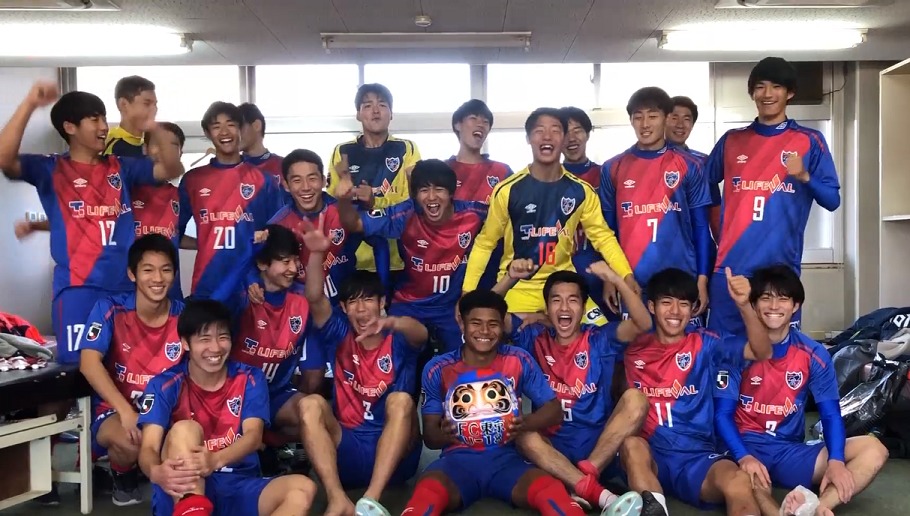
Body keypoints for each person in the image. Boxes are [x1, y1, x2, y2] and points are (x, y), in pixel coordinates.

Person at [0, 82, 184, 364]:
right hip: (78, 290)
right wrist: (30, 104)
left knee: (128, 365)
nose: (104, 127)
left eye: (104, 118)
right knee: (77, 368)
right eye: (95, 119)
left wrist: (152, 126)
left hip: (126, 288)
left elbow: (172, 168)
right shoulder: (51, 169)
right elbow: (5, 158)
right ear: (70, 127)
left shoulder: (121, 166)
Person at [714, 265, 888, 516]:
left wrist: (836, 460)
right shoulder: (735, 350)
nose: (774, 306)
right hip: (743, 447)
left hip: (789, 451)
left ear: (795, 306)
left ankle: (819, 508)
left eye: (783, 298)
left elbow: (830, 414)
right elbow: (722, 415)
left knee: (874, 449)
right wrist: (743, 456)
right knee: (746, 482)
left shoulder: (813, 353)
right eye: (766, 298)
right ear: (753, 305)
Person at [398, 289, 585, 516]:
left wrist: (523, 423)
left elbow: (554, 410)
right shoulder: (438, 368)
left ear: (502, 325)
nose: (485, 331)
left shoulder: (518, 358)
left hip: (508, 459)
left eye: (493, 324)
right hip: (457, 461)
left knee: (551, 490)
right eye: (476, 323)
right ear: (462, 323)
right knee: (427, 493)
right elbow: (430, 437)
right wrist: (446, 433)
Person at [137, 299, 317, 516]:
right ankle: (193, 508)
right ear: (185, 343)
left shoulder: (250, 377)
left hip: (237, 484)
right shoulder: (164, 385)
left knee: (303, 489)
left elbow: (253, 436)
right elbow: (148, 448)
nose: (215, 348)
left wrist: (215, 460)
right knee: (185, 429)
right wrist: (155, 472)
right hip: (183, 489)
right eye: (204, 339)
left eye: (223, 337)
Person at [512, 266, 667, 515]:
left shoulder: (599, 338)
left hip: (601, 447)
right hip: (555, 450)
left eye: (573, 300)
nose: (564, 308)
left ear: (584, 308)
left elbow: (643, 323)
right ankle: (596, 492)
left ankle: (584, 478)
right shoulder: (535, 337)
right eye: (556, 300)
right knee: (524, 436)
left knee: (636, 399)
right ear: (547, 307)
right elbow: (490, 315)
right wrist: (512, 280)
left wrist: (615, 279)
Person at [296, 215, 426, 515]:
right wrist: (316, 254)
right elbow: (314, 298)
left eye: (369, 300)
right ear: (344, 308)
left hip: (397, 457)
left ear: (382, 303)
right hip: (348, 450)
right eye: (353, 302)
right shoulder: (339, 333)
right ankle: (337, 498)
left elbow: (420, 333)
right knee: (310, 404)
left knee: (401, 400)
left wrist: (391, 322)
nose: (361, 308)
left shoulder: (399, 338)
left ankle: (370, 502)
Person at [704, 57, 841, 337]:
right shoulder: (732, 140)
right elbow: (705, 185)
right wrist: (719, 228)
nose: (767, 94)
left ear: (790, 92)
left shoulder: (810, 140)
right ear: (752, 92)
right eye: (760, 87)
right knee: (724, 353)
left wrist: (805, 177)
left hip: (780, 272)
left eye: (776, 86)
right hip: (730, 269)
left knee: (777, 355)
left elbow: (832, 200)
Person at [624, 267, 774, 515]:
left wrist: (745, 305)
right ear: (651, 306)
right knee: (631, 445)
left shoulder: (706, 343)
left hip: (697, 458)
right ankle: (655, 507)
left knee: (738, 481)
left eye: (684, 304)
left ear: (693, 309)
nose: (675, 311)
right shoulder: (633, 348)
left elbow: (762, 351)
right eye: (666, 302)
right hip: (651, 457)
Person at [463, 107, 637, 320]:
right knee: (498, 334)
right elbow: (485, 243)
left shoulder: (581, 191)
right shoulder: (508, 190)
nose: (547, 136)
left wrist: (626, 275)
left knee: (599, 334)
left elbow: (603, 237)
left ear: (563, 139)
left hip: (564, 288)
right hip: (518, 288)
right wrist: (467, 292)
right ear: (528, 139)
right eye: (539, 131)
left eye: (555, 130)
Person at [335, 158, 486, 353]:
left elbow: (505, 219)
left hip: (452, 306)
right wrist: (344, 200)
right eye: (424, 190)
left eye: (439, 189)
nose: (431, 197)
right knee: (393, 356)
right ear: (415, 195)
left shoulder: (474, 213)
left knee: (464, 358)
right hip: (409, 304)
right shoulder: (406, 213)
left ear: (451, 193)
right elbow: (355, 224)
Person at [79, 234, 184, 506]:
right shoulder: (110, 309)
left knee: (183, 441)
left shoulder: (185, 317)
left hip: (165, 412)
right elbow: (88, 363)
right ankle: (122, 472)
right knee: (132, 441)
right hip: (115, 411)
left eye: (166, 270)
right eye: (148, 270)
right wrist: (125, 411)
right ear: (132, 274)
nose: (158, 278)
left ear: (174, 274)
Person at [600, 87, 712, 324]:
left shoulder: (690, 165)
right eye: (638, 117)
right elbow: (607, 232)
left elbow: (701, 227)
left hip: (680, 280)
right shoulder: (613, 168)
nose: (645, 124)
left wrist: (702, 280)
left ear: (666, 118)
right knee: (636, 345)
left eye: (652, 116)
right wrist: (610, 279)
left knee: (684, 345)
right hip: (632, 281)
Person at [178, 101, 283, 299]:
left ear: (240, 129)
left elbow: (278, 236)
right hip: (208, 284)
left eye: (231, 125)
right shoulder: (193, 180)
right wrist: (205, 241)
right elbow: (173, 231)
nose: (224, 132)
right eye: (216, 126)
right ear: (207, 133)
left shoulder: (264, 180)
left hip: (251, 286)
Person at [327, 83, 421, 277]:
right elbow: (332, 205)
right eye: (368, 105)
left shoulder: (407, 148)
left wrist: (374, 202)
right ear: (358, 114)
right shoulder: (342, 151)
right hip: (352, 257)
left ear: (391, 113)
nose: (376, 111)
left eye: (382, 105)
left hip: (398, 257)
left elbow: (413, 203)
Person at [559, 106, 609, 315]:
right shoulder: (548, 179)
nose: (572, 138)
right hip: (561, 273)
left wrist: (612, 274)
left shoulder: (605, 174)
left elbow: (616, 227)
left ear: (587, 134)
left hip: (599, 271)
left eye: (577, 130)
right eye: (565, 132)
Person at [446, 99, 512, 204]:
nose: (480, 124)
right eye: (473, 118)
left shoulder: (502, 171)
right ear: (457, 125)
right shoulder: (442, 170)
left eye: (486, 122)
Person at [104, 75, 157, 158]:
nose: (154, 109)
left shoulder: (152, 143)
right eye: (147, 104)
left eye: (155, 104)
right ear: (123, 104)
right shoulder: (112, 147)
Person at [239, 102, 283, 186]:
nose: (234, 134)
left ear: (257, 126)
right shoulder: (231, 168)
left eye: (239, 127)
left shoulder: (283, 166)